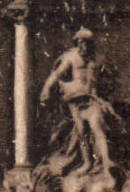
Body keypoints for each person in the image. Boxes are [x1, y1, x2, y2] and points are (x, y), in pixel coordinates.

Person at [39, 28, 118, 167]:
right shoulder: (71, 57)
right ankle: (87, 162)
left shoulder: (98, 58)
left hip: (92, 98)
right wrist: (46, 88)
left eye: (87, 43)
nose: (84, 46)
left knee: (97, 126)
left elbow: (110, 78)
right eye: (81, 43)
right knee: (81, 130)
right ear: (76, 43)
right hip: (75, 99)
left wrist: (106, 96)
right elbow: (56, 74)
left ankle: (106, 160)